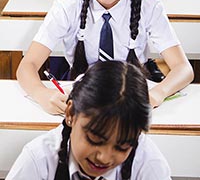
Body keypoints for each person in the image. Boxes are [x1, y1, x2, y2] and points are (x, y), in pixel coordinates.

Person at [16, 0, 193, 115]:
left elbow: (183, 68)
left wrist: (157, 93)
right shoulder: (68, 5)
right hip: (82, 96)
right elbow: (28, 65)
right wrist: (41, 93)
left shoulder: (149, 7)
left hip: (131, 99)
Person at [6, 61, 172, 180]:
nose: (104, 157)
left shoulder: (147, 161)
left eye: (122, 147)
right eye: (95, 140)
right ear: (70, 113)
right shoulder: (38, 160)